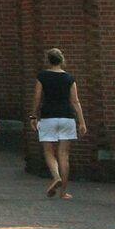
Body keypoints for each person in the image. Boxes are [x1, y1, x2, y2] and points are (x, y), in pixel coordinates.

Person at [33, 47, 80, 197]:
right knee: (64, 154)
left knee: (48, 151)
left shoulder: (42, 76)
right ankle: (64, 192)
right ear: (62, 60)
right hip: (67, 117)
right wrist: (82, 122)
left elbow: (37, 97)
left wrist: (33, 116)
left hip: (48, 116)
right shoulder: (69, 78)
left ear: (48, 60)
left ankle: (56, 176)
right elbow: (75, 101)